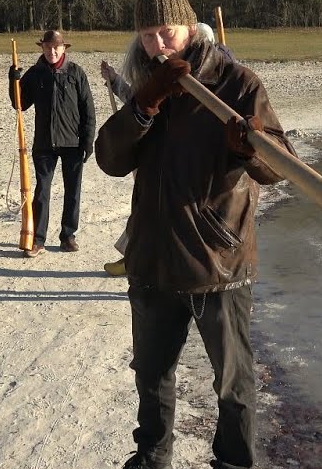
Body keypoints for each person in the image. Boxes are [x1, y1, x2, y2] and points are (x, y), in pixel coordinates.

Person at [94, 0, 296, 469]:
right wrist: (145, 102)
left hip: (219, 263)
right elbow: (109, 158)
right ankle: (153, 461)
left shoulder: (236, 82)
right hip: (153, 260)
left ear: (190, 25)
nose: (161, 42)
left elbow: (281, 166)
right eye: (149, 34)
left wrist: (250, 148)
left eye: (168, 30)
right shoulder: (146, 84)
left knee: (232, 385)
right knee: (151, 373)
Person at [98, 22, 229, 278]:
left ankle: (134, 256)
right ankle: (131, 256)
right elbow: (134, 99)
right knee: (145, 211)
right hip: (155, 167)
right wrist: (115, 80)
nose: (160, 46)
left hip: (199, 201)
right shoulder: (157, 72)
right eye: (148, 37)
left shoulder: (224, 80)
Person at [8, 29, 96, 258]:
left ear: (64, 48)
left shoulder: (76, 73)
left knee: (73, 191)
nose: (52, 51)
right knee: (42, 192)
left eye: (56, 47)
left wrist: (88, 141)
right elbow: (20, 104)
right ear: (43, 48)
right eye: (47, 47)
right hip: (44, 143)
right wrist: (13, 81)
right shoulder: (35, 73)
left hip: (73, 143)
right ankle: (38, 239)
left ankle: (68, 235)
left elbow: (88, 109)